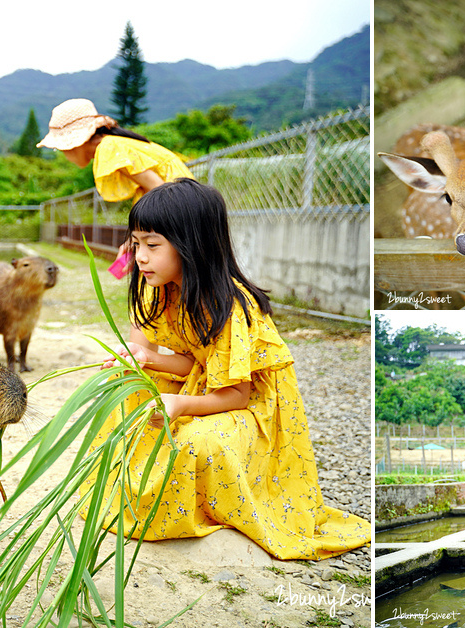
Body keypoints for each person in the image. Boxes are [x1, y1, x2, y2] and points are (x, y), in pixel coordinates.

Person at [83, 178, 370, 560]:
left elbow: (237, 394)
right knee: (127, 392)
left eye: (153, 245)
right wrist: (145, 358)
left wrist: (179, 405)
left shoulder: (230, 305)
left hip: (251, 408)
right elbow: (193, 363)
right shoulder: (160, 286)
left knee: (194, 442)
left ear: (192, 245)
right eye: (136, 244)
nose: (140, 257)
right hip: (206, 387)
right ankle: (134, 487)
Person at [36, 98, 195, 262]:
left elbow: (160, 190)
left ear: (75, 142)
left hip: (180, 213)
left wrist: (140, 241)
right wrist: (135, 240)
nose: (62, 153)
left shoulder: (109, 147)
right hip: (181, 212)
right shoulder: (113, 143)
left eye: (59, 147)